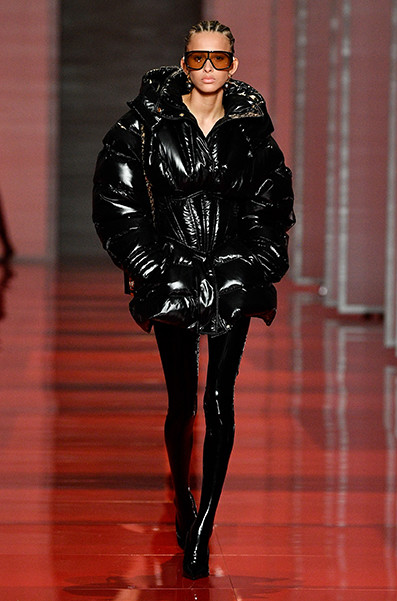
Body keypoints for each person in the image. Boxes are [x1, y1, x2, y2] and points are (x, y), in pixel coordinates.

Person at [92, 19, 295, 580]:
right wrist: (149, 267)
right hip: (172, 275)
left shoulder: (252, 131)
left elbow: (272, 201)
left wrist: (255, 261)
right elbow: (117, 197)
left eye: (219, 59)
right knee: (182, 402)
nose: (208, 68)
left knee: (220, 397)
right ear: (184, 62)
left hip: (232, 275)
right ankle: (182, 497)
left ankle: (203, 527)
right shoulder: (144, 124)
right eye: (199, 58)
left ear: (234, 64)